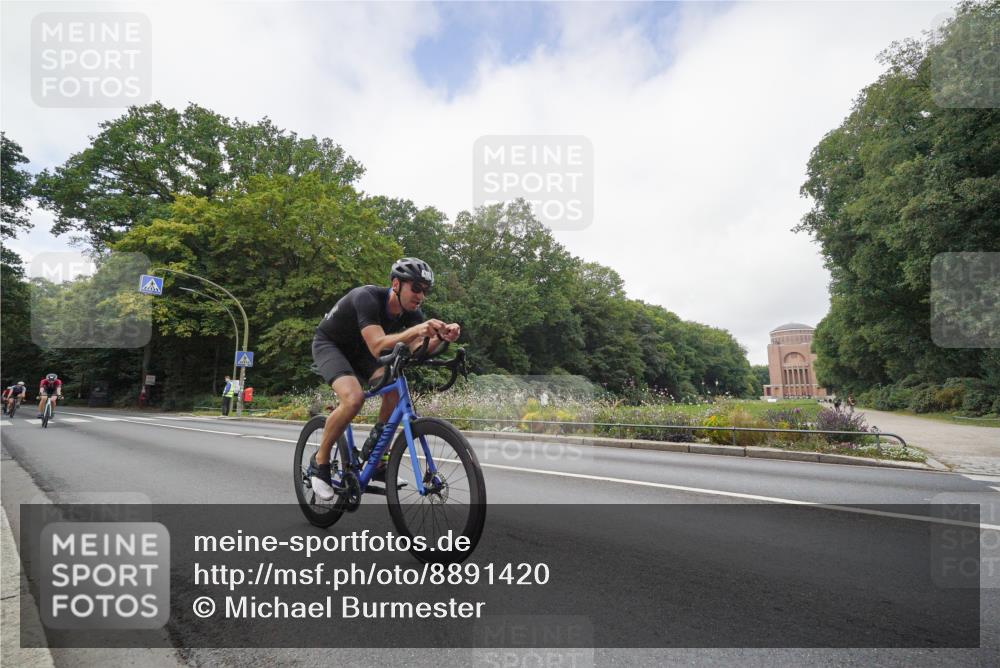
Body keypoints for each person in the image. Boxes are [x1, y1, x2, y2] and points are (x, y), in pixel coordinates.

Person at [309, 258, 461, 500]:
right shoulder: (366, 298)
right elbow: (378, 344)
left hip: (363, 354)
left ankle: (377, 459)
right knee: (353, 398)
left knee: (392, 389)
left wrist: (442, 337)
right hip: (332, 345)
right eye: (416, 288)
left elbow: (416, 347)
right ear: (396, 284)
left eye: (425, 291)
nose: (421, 296)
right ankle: (320, 462)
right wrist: (419, 330)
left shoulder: (413, 314)